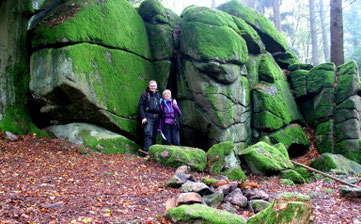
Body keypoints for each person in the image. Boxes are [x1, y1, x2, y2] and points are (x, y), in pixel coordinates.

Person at [138, 80, 161, 152]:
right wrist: (143, 117)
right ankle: (147, 152)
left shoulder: (158, 95)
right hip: (148, 116)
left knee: (154, 135)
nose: (153, 87)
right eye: (151, 86)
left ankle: (153, 153)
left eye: (154, 86)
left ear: (156, 86)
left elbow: (161, 106)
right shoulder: (144, 94)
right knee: (148, 134)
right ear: (149, 86)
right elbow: (140, 106)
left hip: (157, 117)